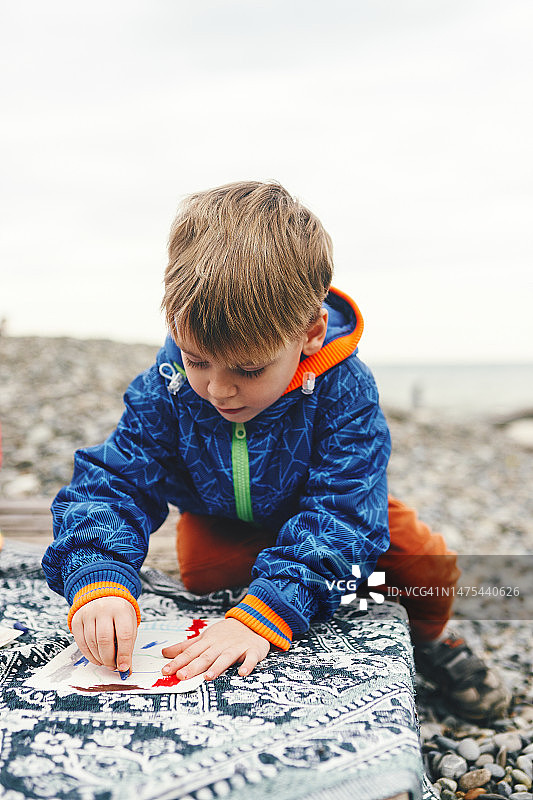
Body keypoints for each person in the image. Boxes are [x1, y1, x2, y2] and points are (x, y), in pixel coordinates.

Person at [41, 181, 508, 721]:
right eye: (198, 361)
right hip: (221, 513)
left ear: (309, 333)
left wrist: (262, 616)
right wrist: (98, 578)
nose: (217, 389)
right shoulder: (166, 386)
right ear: (175, 328)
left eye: (248, 369)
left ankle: (432, 642)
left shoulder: (345, 390)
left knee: (427, 570)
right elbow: (115, 482)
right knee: (205, 576)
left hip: (332, 507)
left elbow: (344, 516)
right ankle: (300, 594)